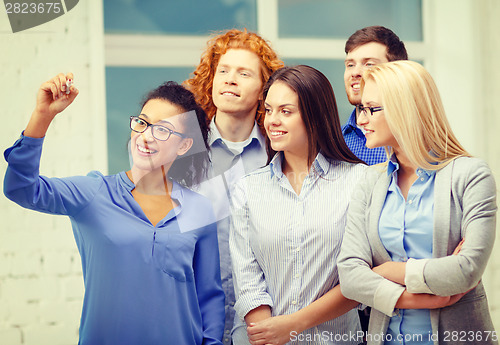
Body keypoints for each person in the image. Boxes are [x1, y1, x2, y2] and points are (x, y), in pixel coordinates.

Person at [4, 73, 225, 345]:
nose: (146, 136)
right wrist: (43, 115)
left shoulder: (199, 210)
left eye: (163, 130)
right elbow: (21, 188)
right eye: (142, 123)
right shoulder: (94, 193)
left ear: (184, 145)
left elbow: (209, 296)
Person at [338, 61, 497, 345]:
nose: (361, 119)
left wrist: (389, 271)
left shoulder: (470, 175)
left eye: (372, 109)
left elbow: (467, 269)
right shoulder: (369, 182)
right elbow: (350, 276)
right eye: (362, 109)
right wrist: (420, 299)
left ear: (405, 109)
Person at [230, 65, 366, 345]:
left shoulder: (359, 181)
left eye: (286, 111)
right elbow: (248, 282)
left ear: (315, 116)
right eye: (268, 110)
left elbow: (360, 278)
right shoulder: (247, 189)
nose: (272, 121)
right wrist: (269, 335)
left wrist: (293, 325)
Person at [184, 28, 284, 344]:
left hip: (263, 319)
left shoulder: (278, 152)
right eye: (223, 71)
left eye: (244, 73)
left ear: (263, 91)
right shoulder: (184, 145)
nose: (230, 79)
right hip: (192, 314)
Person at [342, 26, 408, 165]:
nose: (355, 73)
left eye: (368, 64)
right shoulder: (333, 144)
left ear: (396, 71)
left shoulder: (416, 143)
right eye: (350, 65)